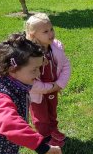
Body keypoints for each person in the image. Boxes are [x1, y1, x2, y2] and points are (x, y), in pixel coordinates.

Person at [25, 13, 71, 147]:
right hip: (37, 94)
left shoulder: (55, 47)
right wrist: (49, 88)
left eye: (51, 29)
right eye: (45, 31)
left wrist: (59, 84)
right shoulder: (28, 55)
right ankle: (44, 137)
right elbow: (29, 81)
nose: (51, 33)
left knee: (52, 110)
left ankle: (53, 129)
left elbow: (66, 65)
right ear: (33, 35)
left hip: (53, 88)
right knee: (41, 117)